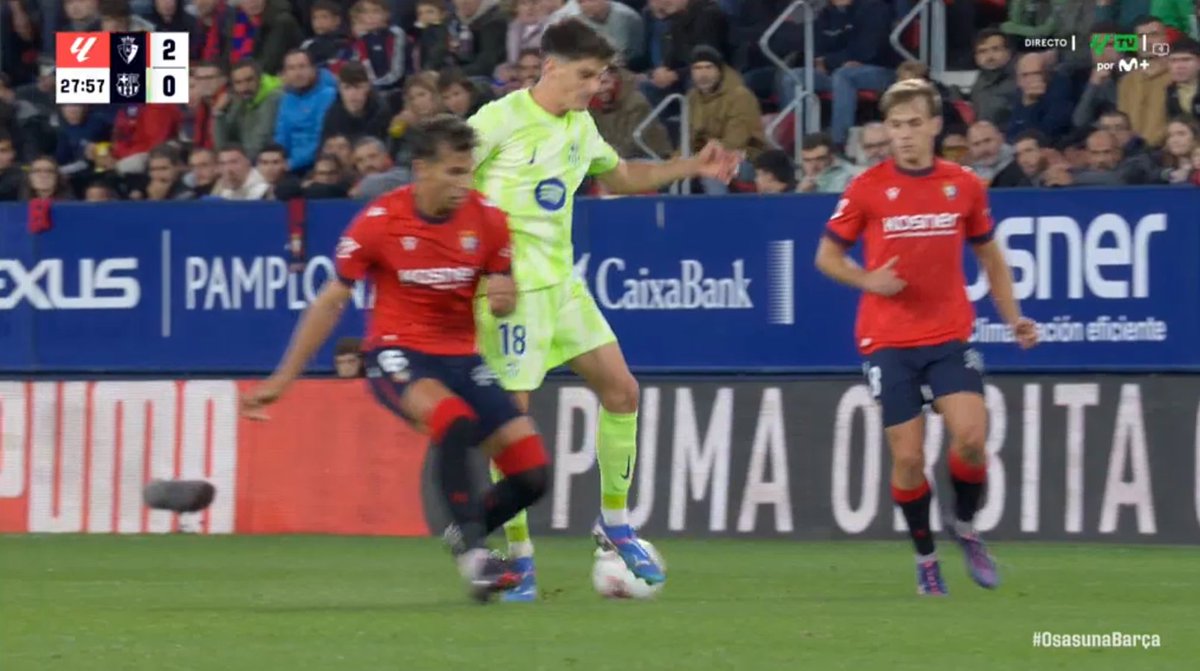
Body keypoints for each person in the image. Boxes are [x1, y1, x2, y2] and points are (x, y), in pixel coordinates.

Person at [467, 17, 738, 602]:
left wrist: (690, 166)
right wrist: (491, 268)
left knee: (623, 392)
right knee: (511, 428)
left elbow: (623, 175)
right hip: (510, 292)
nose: (596, 87)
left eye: (602, 76)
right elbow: (451, 191)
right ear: (550, 67)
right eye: (587, 75)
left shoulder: (581, 125)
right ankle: (519, 560)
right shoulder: (496, 120)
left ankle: (615, 524)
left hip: (562, 287)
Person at [241, 115, 550, 603]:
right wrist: (283, 379)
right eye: (453, 172)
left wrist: (503, 295)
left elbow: (501, 286)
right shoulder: (381, 220)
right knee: (454, 420)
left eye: (469, 171)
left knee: (532, 473)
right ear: (421, 169)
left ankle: (464, 532)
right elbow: (330, 302)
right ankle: (476, 557)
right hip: (397, 352)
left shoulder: (489, 220)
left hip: (461, 357)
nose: (464, 184)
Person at [813, 79, 1039, 596]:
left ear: (935, 125)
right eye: (896, 125)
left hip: (948, 335)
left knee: (972, 439)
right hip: (887, 340)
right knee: (909, 458)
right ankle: (926, 558)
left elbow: (991, 259)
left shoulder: (964, 185)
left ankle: (966, 527)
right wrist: (866, 279)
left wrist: (1014, 318)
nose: (905, 134)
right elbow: (826, 256)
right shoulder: (867, 187)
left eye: (914, 123)